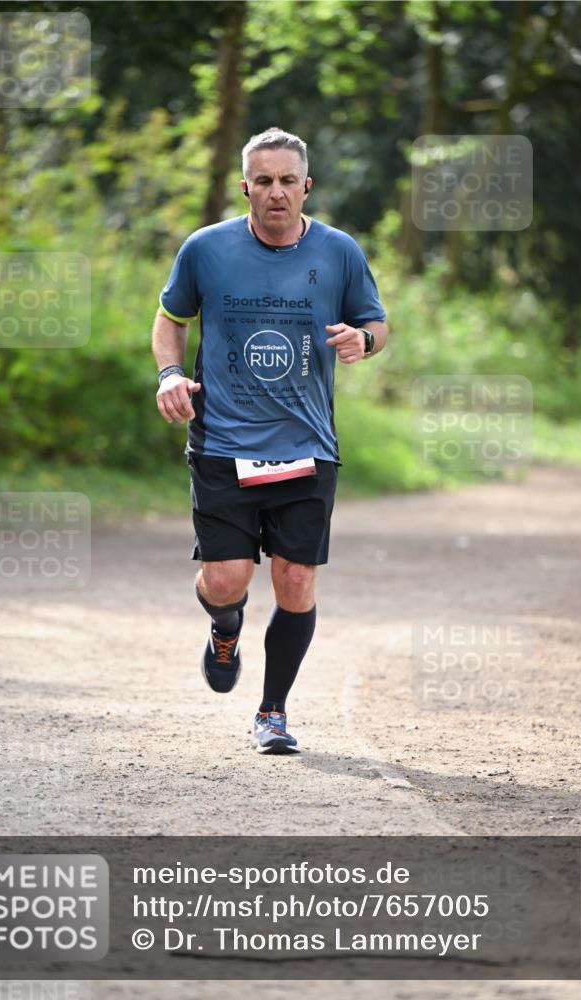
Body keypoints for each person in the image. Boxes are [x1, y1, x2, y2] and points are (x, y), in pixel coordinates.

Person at [152, 127, 387, 754]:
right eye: (264, 181)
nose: (276, 192)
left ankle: (273, 712)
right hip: (223, 442)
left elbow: (376, 322)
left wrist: (362, 342)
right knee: (226, 580)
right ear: (246, 187)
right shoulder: (205, 250)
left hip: (308, 444)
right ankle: (224, 626)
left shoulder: (339, 252)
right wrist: (171, 374)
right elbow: (171, 319)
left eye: (288, 181)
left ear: (306, 186)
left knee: (296, 583)